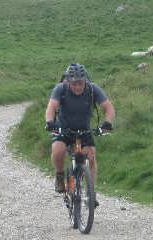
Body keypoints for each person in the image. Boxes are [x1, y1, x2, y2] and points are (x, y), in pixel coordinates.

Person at [45, 63, 115, 206]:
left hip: (84, 130)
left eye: (80, 83)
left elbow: (108, 107)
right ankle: (59, 175)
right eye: (74, 83)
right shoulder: (61, 89)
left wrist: (107, 122)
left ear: (85, 80)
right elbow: (52, 106)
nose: (77, 87)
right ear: (68, 81)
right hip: (63, 129)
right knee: (58, 151)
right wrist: (50, 122)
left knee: (91, 156)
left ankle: (91, 192)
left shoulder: (92, 89)